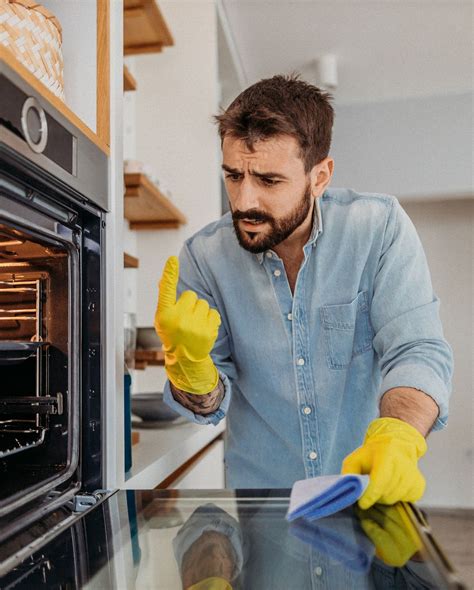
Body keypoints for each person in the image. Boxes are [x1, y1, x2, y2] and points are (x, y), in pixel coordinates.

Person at [154, 75, 453, 508]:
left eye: (269, 181)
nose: (244, 201)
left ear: (320, 176)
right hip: (263, 511)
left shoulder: (378, 228)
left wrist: (400, 436)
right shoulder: (203, 258)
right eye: (234, 176)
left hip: (369, 495)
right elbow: (211, 404)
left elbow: (417, 348)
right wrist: (191, 373)